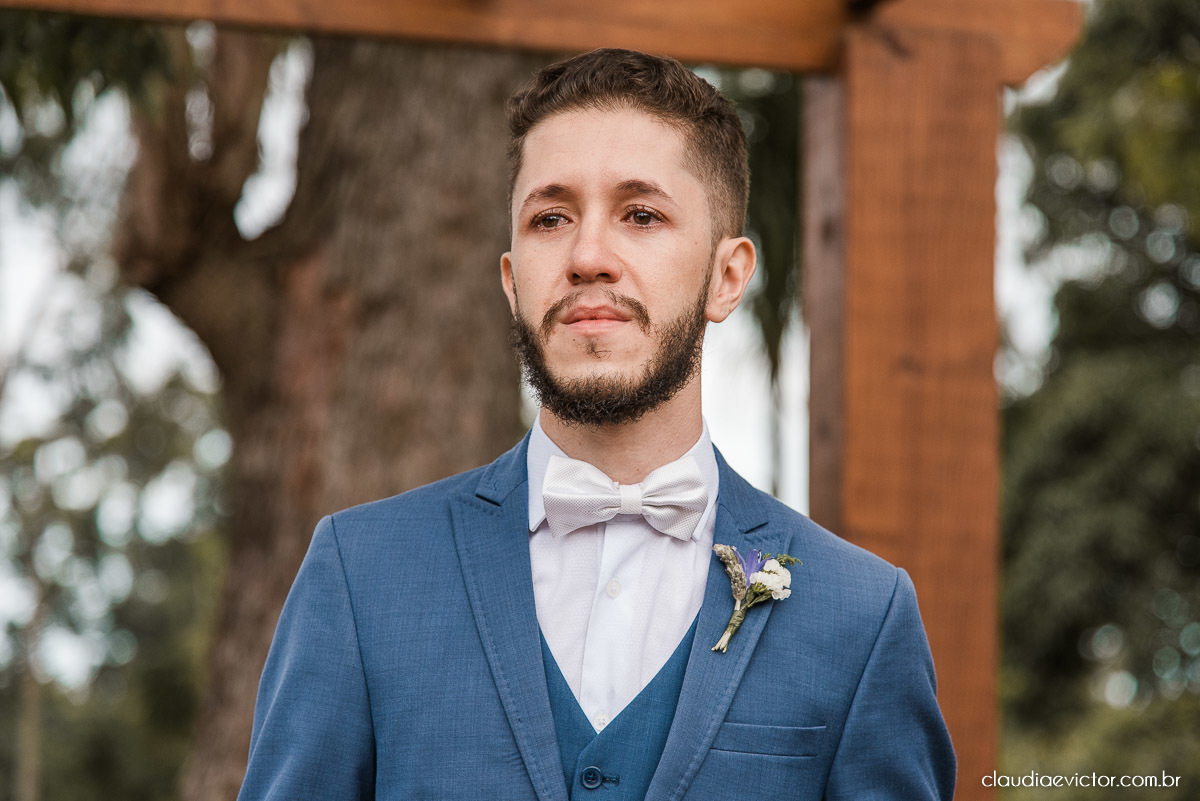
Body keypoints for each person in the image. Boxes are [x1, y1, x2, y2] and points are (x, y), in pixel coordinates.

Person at [237, 48, 956, 801]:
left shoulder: (862, 616)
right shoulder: (361, 575)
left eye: (640, 214)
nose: (586, 256)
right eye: (551, 218)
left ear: (727, 275)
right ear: (513, 281)